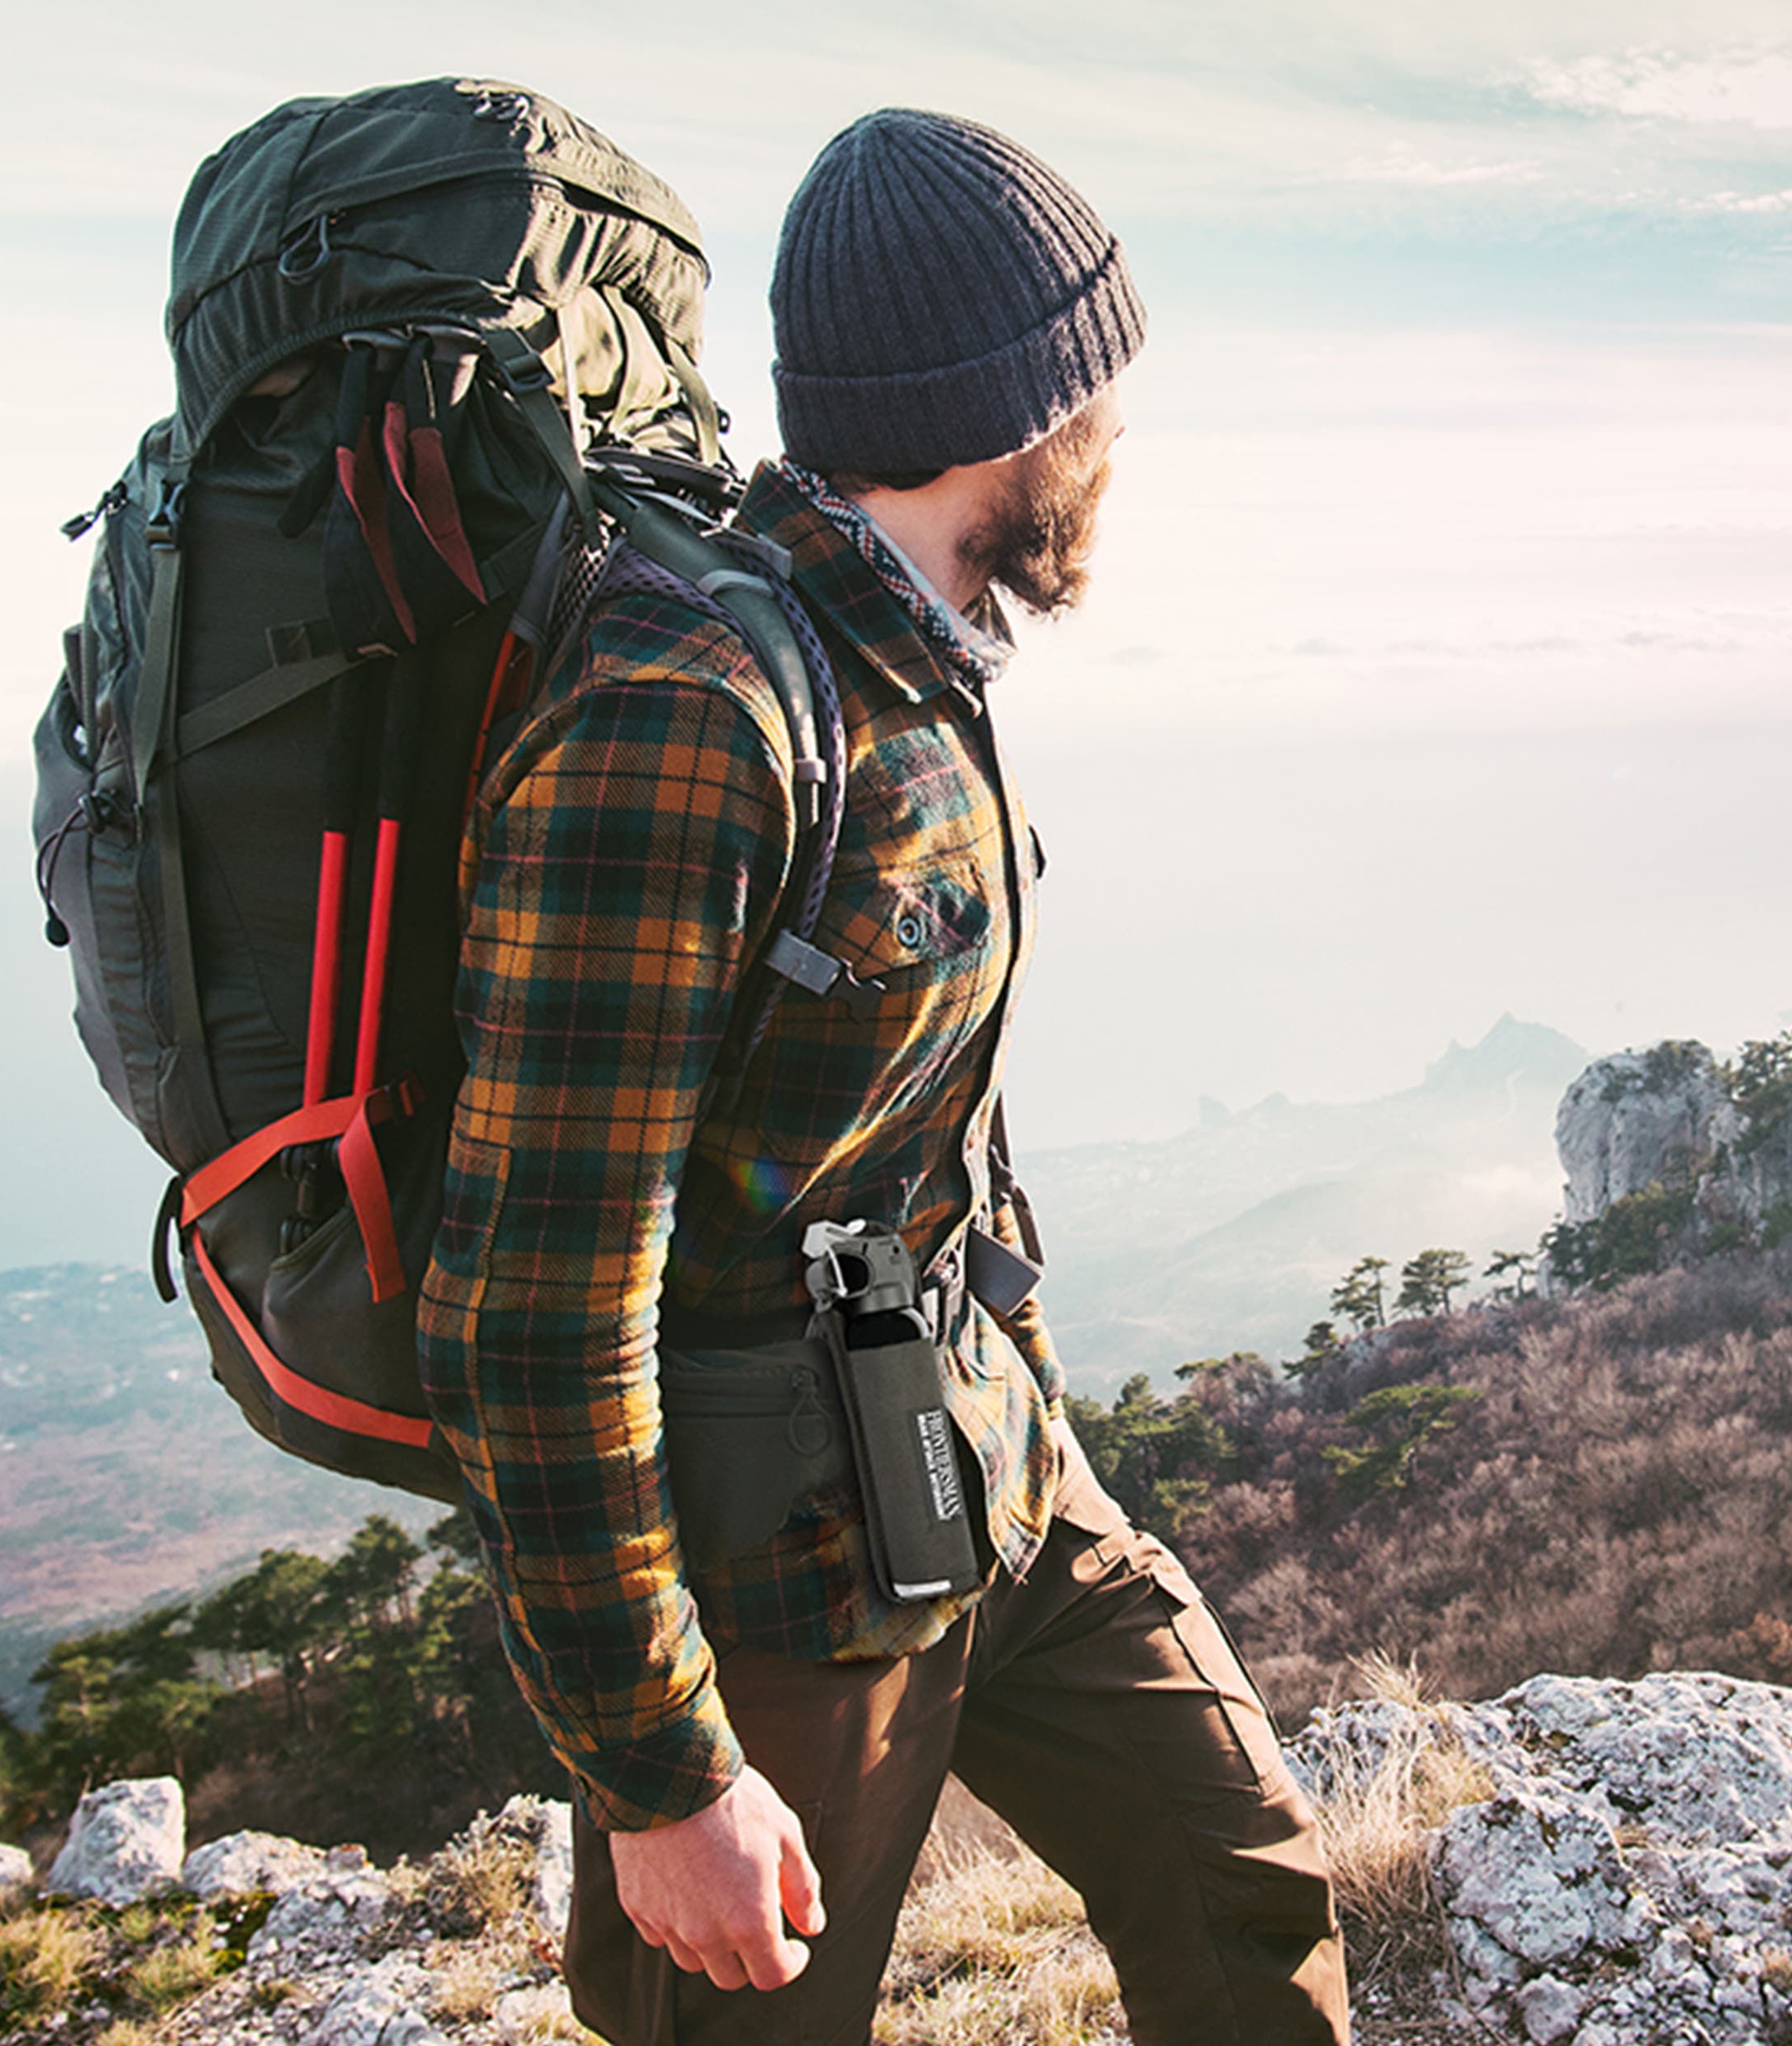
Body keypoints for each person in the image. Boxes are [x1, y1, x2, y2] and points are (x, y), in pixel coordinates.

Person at [418, 106, 1350, 2045]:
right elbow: (528, 1305)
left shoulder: (900, 655)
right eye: (1097, 395)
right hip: (777, 1575)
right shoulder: (692, 712)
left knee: (1237, 1879)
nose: (1112, 444)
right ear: (1010, 411)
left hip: (971, 1451)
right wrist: (660, 1776)